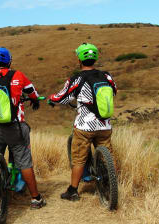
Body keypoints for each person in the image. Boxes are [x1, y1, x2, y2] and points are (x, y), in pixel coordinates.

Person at [0, 47, 46, 209]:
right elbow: (32, 92)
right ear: (9, 61)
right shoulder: (18, 75)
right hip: (15, 126)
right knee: (25, 161)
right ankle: (36, 199)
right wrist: (35, 100)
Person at [48, 43, 117, 201]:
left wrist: (52, 99)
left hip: (85, 126)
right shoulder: (106, 76)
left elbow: (62, 97)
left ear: (79, 59)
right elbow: (114, 91)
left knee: (78, 157)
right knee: (108, 156)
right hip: (105, 124)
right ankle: (110, 186)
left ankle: (73, 191)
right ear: (95, 58)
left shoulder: (77, 78)